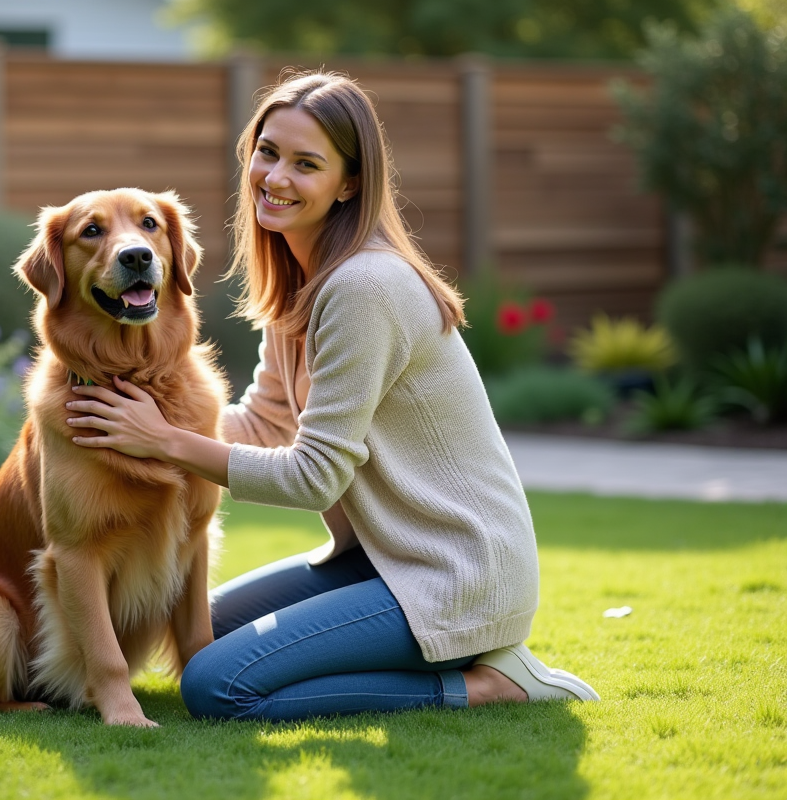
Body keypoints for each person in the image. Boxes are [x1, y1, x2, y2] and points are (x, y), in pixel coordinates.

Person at [64, 70, 599, 722]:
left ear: (348, 183)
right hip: (379, 559)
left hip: (457, 576)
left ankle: (483, 683)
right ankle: (410, 653)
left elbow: (314, 476)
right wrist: (127, 420)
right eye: (267, 153)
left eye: (305, 164)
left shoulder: (362, 288)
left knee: (215, 686)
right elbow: (263, 423)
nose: (275, 177)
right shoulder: (300, 283)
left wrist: (166, 440)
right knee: (205, 632)